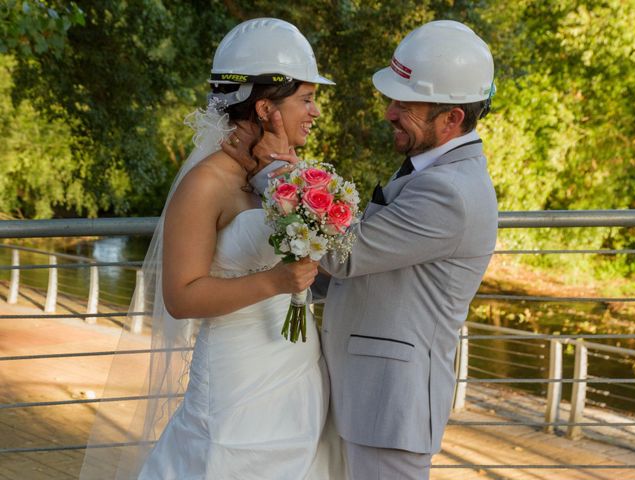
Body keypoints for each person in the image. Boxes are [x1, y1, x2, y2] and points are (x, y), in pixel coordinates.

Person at [80, 18, 347, 480]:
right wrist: (275, 282)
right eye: (306, 98)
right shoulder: (205, 184)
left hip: (296, 368)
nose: (316, 111)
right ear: (265, 108)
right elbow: (181, 297)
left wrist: (279, 180)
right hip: (236, 378)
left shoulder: (290, 175)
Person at [230, 20, 498, 479]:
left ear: (452, 117)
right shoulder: (430, 169)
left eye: (405, 104)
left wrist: (269, 170)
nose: (389, 112)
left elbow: (344, 255)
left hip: (390, 405)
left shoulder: (450, 192)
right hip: (368, 398)